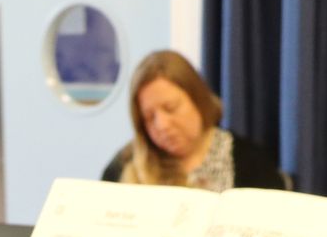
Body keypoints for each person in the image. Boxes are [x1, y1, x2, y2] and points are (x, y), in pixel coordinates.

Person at [101, 49, 286, 192]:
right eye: (149, 118)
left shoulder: (251, 163)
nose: (162, 125)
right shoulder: (123, 165)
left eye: (170, 108)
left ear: (198, 100)